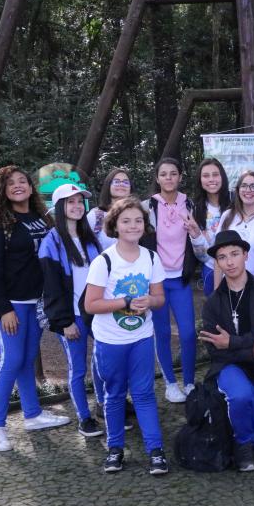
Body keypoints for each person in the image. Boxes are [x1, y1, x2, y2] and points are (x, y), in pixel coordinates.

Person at [0, 165, 70, 452]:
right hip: (11, 305)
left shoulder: (41, 220)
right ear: (3, 191)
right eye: (11, 183)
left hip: (36, 302)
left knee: (28, 357)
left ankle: (32, 415)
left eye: (23, 181)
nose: (18, 186)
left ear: (31, 189)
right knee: (12, 358)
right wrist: (3, 309)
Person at [84, 197, 168, 474]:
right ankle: (115, 449)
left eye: (138, 220)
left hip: (142, 337)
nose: (133, 226)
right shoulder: (103, 261)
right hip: (110, 341)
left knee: (144, 393)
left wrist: (149, 302)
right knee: (115, 394)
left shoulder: (152, 257)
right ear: (115, 226)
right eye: (126, 221)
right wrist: (126, 302)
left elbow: (159, 298)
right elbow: (90, 305)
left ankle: (155, 451)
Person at [198, 230, 254, 471]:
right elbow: (215, 351)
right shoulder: (213, 304)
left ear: (245, 255)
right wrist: (249, 350)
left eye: (235, 254)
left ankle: (247, 433)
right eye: (223, 257)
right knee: (241, 396)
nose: (230, 261)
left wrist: (233, 343)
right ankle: (241, 445)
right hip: (229, 366)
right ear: (217, 262)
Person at [39, 184, 104, 437]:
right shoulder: (51, 243)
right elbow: (52, 288)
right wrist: (65, 322)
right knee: (78, 369)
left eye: (80, 201)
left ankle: (105, 407)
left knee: (102, 363)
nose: (77, 206)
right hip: (72, 317)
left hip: (96, 313)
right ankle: (84, 418)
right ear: (59, 208)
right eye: (70, 202)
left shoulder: (91, 239)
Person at [142, 157, 201, 403]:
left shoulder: (190, 204)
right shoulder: (147, 207)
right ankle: (169, 382)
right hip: (156, 281)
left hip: (181, 279)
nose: (169, 178)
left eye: (173, 173)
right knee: (163, 332)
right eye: (164, 174)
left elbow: (198, 239)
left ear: (179, 177)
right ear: (157, 178)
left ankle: (189, 381)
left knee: (188, 333)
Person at [216, 170, 254, 282]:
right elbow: (218, 256)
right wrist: (217, 291)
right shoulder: (227, 216)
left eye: (253, 186)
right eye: (244, 186)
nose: (248, 190)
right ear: (238, 190)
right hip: (230, 287)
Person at [191, 158, 232, 296]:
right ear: (200, 180)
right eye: (206, 176)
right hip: (210, 269)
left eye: (215, 174)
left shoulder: (235, 202)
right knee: (217, 313)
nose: (211, 179)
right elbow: (201, 254)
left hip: (239, 268)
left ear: (222, 177)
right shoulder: (196, 209)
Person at [87, 168, 133, 249]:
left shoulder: (137, 216)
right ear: (108, 186)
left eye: (126, 182)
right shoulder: (96, 216)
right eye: (117, 181)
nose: (121, 184)